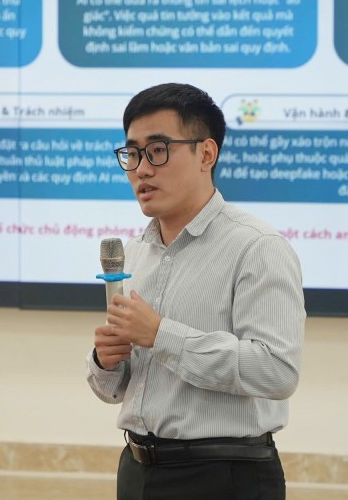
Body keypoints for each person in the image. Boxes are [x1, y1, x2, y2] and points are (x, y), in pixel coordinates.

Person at [87, 83, 305, 500]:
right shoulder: (135, 253)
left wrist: (161, 334)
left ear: (206, 154)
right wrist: (105, 362)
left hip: (223, 475)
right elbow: (117, 388)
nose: (141, 170)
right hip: (137, 469)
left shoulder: (256, 247)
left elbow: (278, 370)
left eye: (157, 150)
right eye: (132, 153)